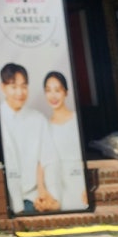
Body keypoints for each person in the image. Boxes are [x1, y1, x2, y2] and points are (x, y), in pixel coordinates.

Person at [0, 62, 60, 214]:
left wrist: (45, 192)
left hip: (33, 197)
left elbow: (48, 159)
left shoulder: (38, 119)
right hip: (4, 198)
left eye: (24, 86)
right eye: (14, 87)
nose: (20, 92)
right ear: (3, 88)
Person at [43, 71, 88, 210]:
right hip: (56, 185)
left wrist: (87, 186)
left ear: (66, 92)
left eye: (57, 90)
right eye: (48, 90)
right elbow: (43, 162)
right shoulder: (45, 127)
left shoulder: (77, 120)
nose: (53, 96)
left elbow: (87, 155)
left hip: (79, 181)